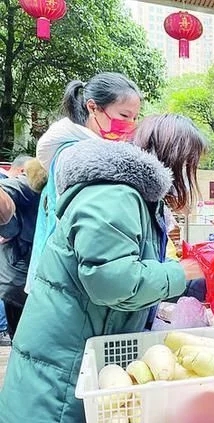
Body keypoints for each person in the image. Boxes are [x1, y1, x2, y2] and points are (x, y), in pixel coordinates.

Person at [0, 114, 207, 423]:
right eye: (191, 166)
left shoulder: (131, 196)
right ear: (174, 158)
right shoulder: (115, 195)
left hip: (80, 352)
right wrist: (183, 272)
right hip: (64, 366)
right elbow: (114, 283)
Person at [27, 72, 142, 292]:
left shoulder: (78, 149)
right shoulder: (75, 154)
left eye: (135, 118)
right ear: (93, 107)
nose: (130, 124)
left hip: (63, 275)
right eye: (124, 115)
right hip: (66, 279)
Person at [0, 155, 46, 340]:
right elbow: (6, 194)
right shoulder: (31, 182)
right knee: (22, 339)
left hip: (33, 280)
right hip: (19, 282)